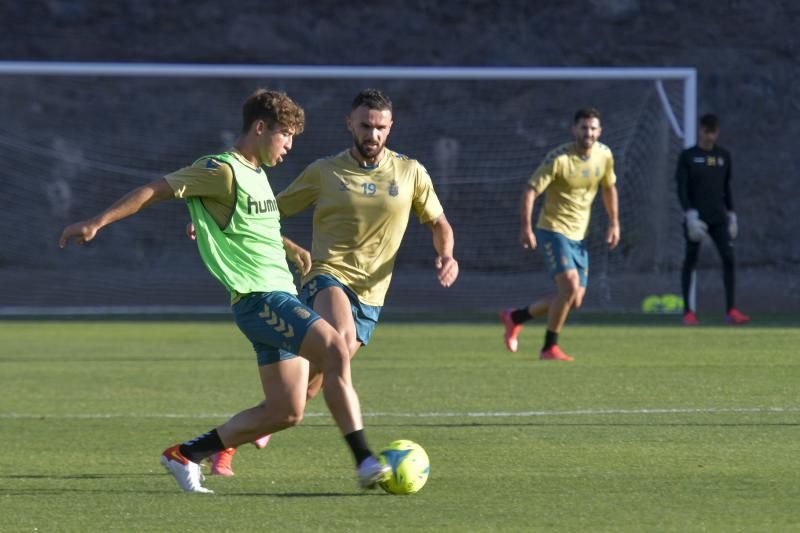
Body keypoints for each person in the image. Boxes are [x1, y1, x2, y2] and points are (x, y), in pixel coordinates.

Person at [58, 89, 390, 493]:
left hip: (278, 296)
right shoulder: (220, 169)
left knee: (286, 412)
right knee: (337, 349)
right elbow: (155, 190)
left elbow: (253, 227)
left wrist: (291, 247)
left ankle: (185, 454)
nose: (289, 146)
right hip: (260, 298)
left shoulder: (259, 176)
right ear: (260, 127)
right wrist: (97, 222)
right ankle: (364, 461)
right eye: (285, 135)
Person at [209, 88, 459, 476]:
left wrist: (446, 254)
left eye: (380, 127)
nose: (372, 135)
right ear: (350, 124)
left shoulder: (411, 172)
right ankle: (363, 460)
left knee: (305, 391)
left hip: (372, 296)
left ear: (390, 128)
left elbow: (439, 223)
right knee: (338, 344)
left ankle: (225, 445)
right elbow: (266, 209)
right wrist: (214, 217)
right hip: (326, 277)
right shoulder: (325, 171)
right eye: (364, 126)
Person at [499, 108, 620, 361]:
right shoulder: (559, 159)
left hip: (579, 235)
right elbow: (531, 190)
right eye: (584, 128)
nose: (588, 133)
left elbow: (609, 188)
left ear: (600, 131)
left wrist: (614, 223)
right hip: (552, 230)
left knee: (574, 299)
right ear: (574, 130)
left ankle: (515, 317)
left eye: (593, 128)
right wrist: (526, 227)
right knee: (569, 288)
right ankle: (548, 348)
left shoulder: (604, 155)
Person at [676, 113, 750, 326]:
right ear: (700, 130)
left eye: (713, 132)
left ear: (717, 132)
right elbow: (682, 188)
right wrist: (689, 214)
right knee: (690, 260)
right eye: (706, 131)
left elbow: (726, 188)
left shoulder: (723, 156)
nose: (710, 136)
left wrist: (732, 214)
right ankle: (688, 312)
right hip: (696, 218)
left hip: (718, 217)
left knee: (729, 258)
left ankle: (731, 310)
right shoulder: (688, 156)